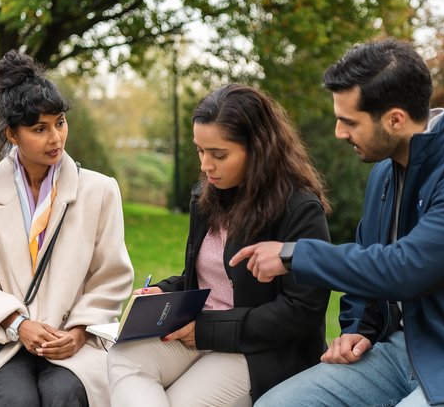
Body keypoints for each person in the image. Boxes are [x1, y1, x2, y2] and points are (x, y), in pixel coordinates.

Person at [231, 38, 444, 406]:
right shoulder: (384, 175)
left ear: (395, 119)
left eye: (348, 121)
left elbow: (404, 268)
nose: (339, 133)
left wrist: (294, 256)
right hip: (403, 348)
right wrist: (359, 329)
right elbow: (369, 259)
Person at [107, 83, 332, 406]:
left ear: (258, 149)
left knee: (179, 401)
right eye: (200, 150)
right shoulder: (206, 197)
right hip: (195, 331)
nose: (205, 165)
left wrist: (206, 330)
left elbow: (301, 311)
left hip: (260, 350)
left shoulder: (298, 208)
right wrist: (163, 292)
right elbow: (203, 277)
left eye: (218, 154)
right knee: (122, 357)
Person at [0, 50, 134, 407]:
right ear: (11, 134)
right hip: (4, 339)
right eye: (39, 129)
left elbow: (110, 275)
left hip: (73, 340)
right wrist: (19, 323)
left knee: (65, 395)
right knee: (13, 401)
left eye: (60, 122)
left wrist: (79, 330)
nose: (56, 138)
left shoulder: (99, 190)